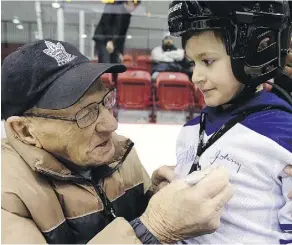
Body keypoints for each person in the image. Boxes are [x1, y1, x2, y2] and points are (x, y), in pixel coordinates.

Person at [1, 39, 233, 244]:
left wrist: (154, 197)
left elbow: (131, 221)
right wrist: (154, 228)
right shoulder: (8, 197)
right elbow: (149, 228)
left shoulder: (117, 153)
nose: (111, 124)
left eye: (105, 101)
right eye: (85, 114)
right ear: (24, 130)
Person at [166, 1, 292, 244]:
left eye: (208, 61)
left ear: (254, 52)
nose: (196, 77)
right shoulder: (189, 130)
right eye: (193, 63)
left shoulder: (284, 131)